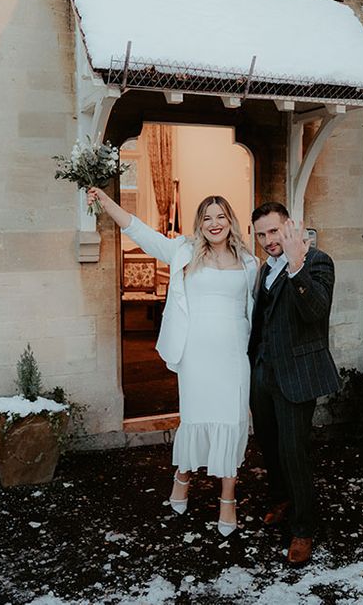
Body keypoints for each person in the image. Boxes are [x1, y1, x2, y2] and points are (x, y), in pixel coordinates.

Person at [87, 188, 258, 536]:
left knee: (233, 420)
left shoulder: (250, 262)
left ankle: (228, 498)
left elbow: (257, 307)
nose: (214, 223)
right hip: (197, 356)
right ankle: (182, 476)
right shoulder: (183, 252)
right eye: (207, 217)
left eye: (220, 216)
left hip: (233, 357)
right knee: (195, 418)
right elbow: (141, 232)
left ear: (230, 222)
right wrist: (107, 203)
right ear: (199, 224)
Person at [248, 202, 339, 566]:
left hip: (296, 376)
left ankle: (303, 528)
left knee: (294, 451)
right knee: (269, 445)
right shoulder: (263, 270)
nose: (269, 240)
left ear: (289, 227)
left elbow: (316, 310)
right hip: (264, 372)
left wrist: (296, 264)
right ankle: (282, 498)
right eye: (261, 235)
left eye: (274, 231)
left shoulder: (317, 262)